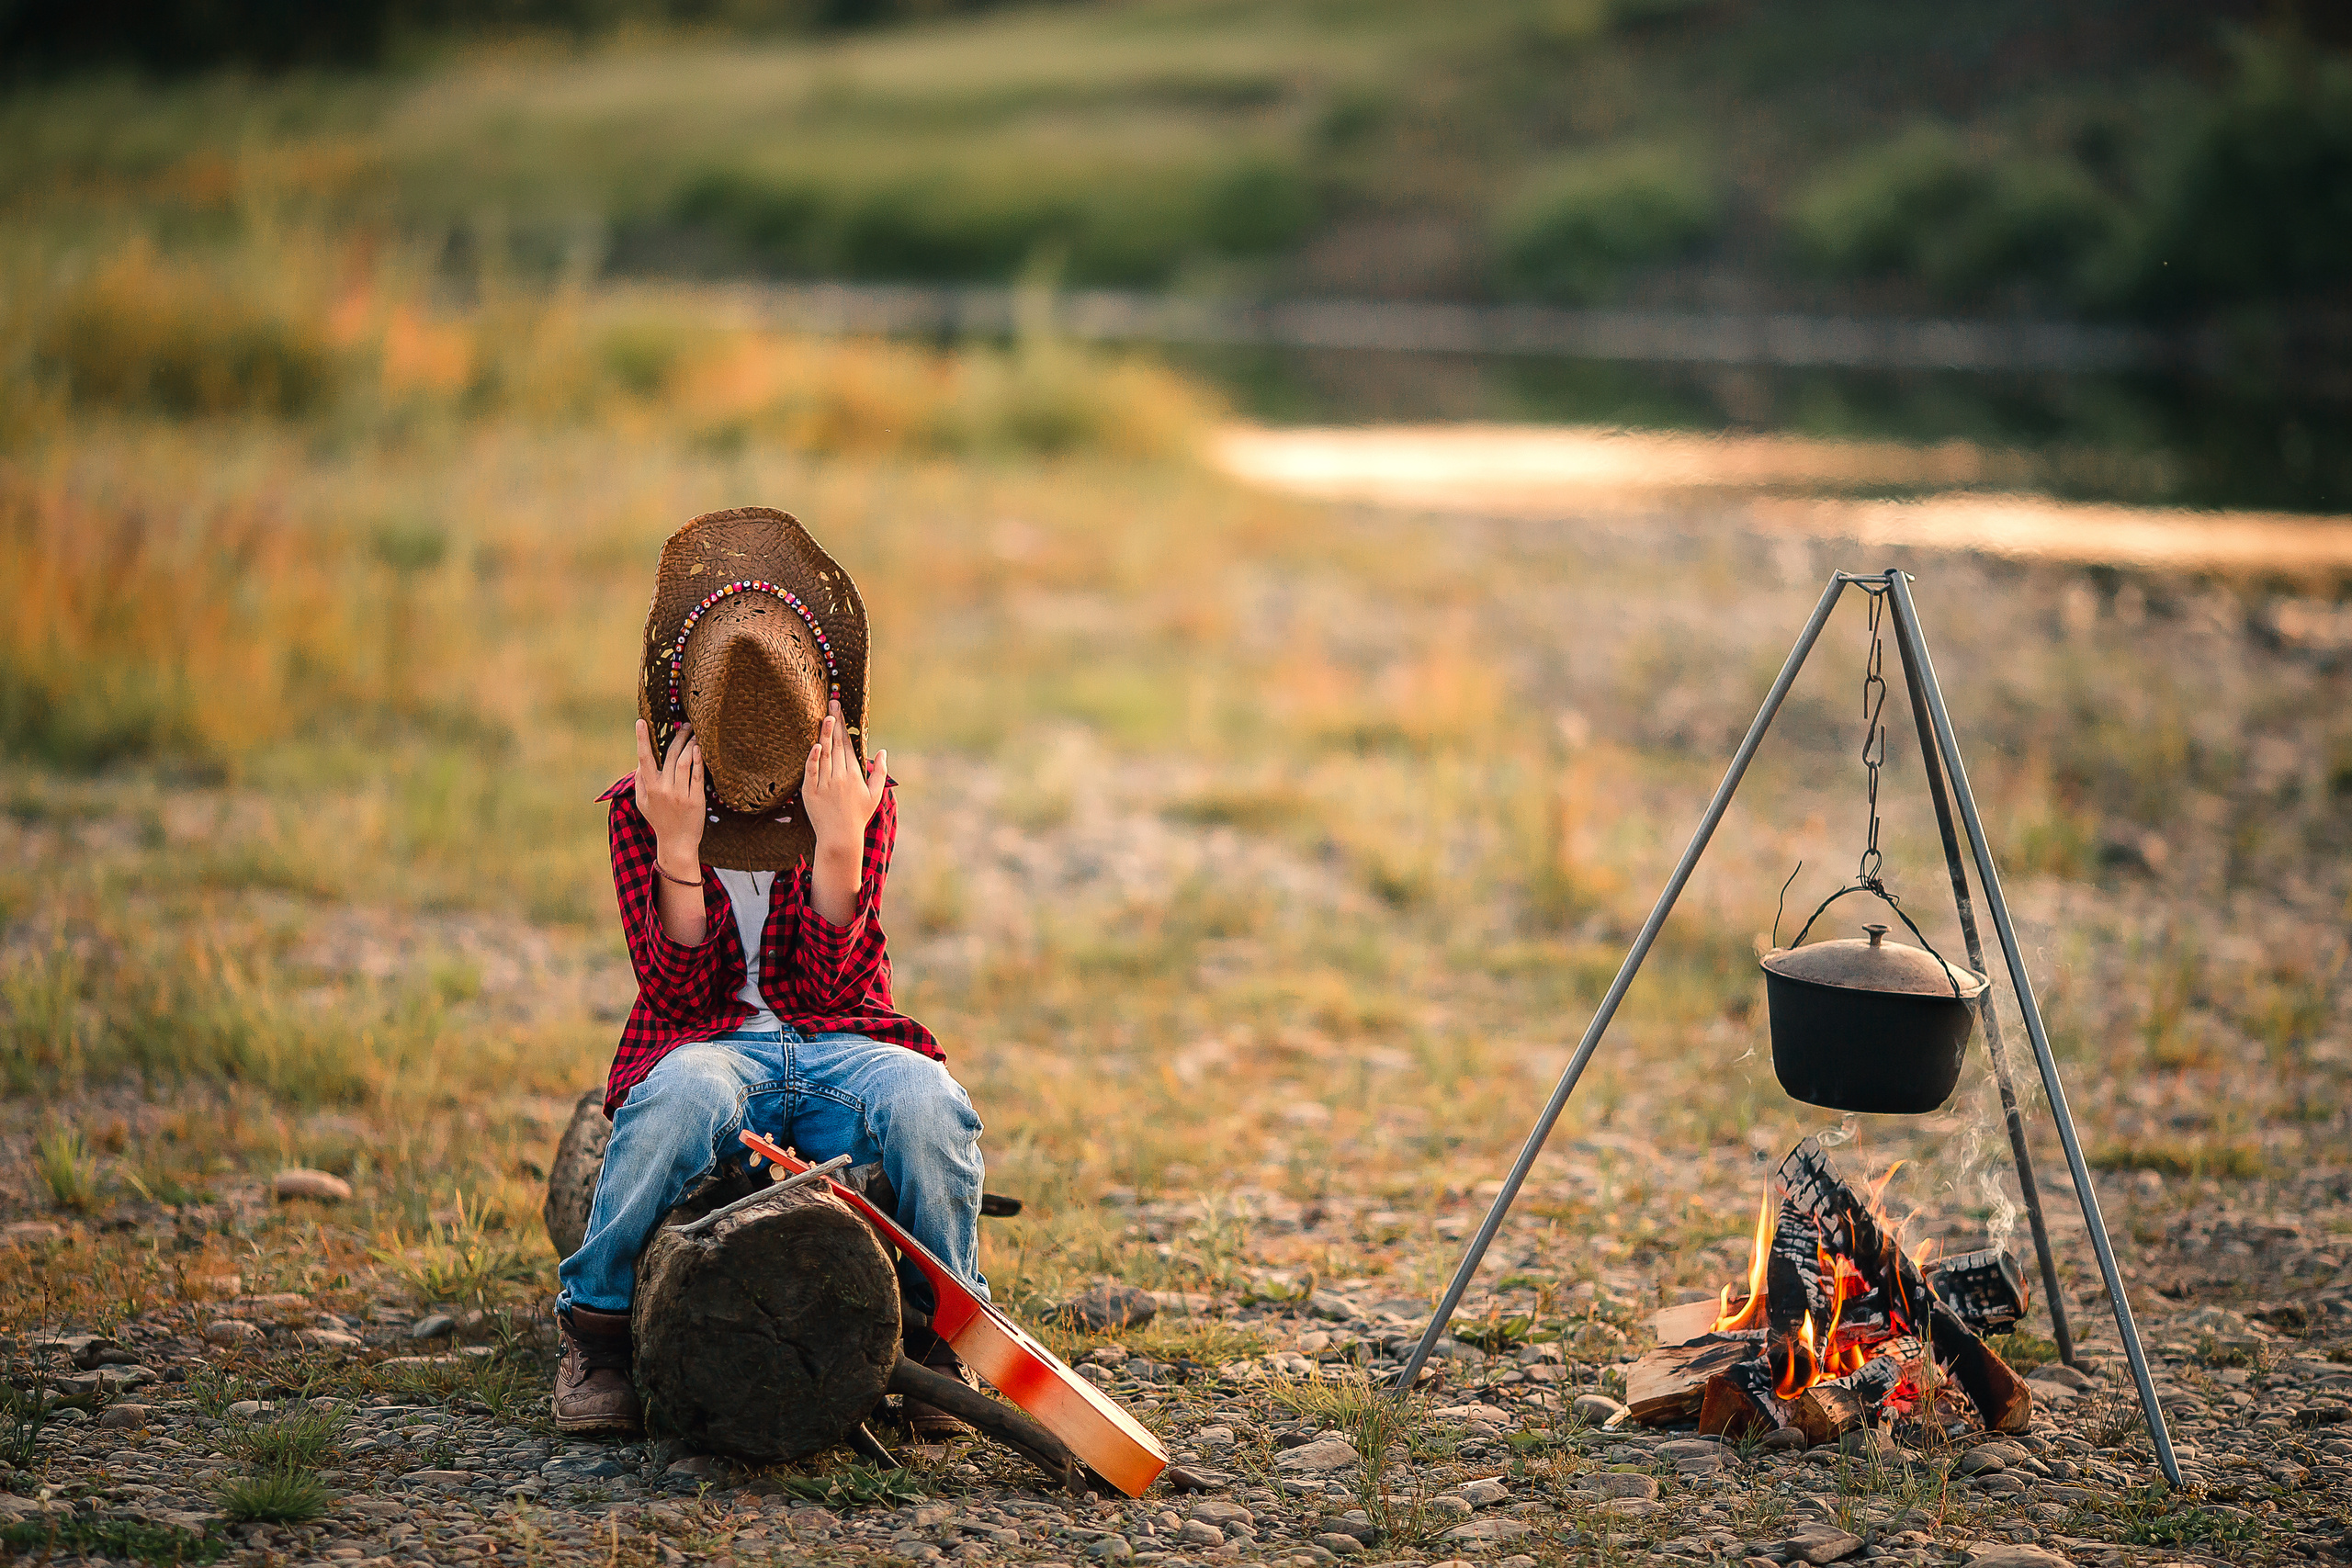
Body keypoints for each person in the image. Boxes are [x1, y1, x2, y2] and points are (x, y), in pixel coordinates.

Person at [552, 506, 986, 1438]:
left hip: (838, 1044)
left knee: (928, 1103)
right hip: (710, 1046)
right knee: (675, 1102)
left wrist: (837, 847)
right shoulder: (643, 809)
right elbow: (678, 997)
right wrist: (679, 848)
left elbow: (838, 997)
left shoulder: (856, 795)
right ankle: (594, 1333)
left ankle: (944, 1333)